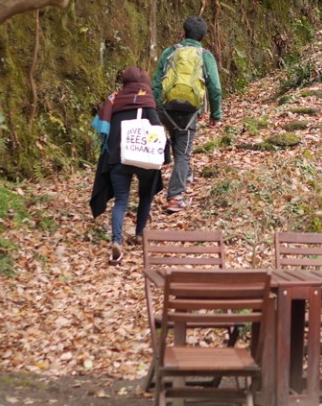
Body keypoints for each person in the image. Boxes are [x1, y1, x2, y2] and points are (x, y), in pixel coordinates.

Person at [89, 66, 167, 265]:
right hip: (144, 156)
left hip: (118, 157)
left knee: (121, 200)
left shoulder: (114, 101)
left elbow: (103, 129)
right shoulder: (147, 101)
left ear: (125, 82)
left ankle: (117, 241)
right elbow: (158, 129)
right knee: (145, 195)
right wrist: (165, 154)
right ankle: (140, 233)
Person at [152, 15, 222, 213]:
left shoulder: (169, 52)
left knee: (176, 139)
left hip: (166, 110)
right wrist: (215, 115)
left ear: (183, 32)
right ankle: (175, 197)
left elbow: (157, 83)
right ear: (202, 36)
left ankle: (186, 176)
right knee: (183, 152)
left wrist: (155, 109)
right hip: (190, 112)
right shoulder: (205, 55)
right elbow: (215, 88)